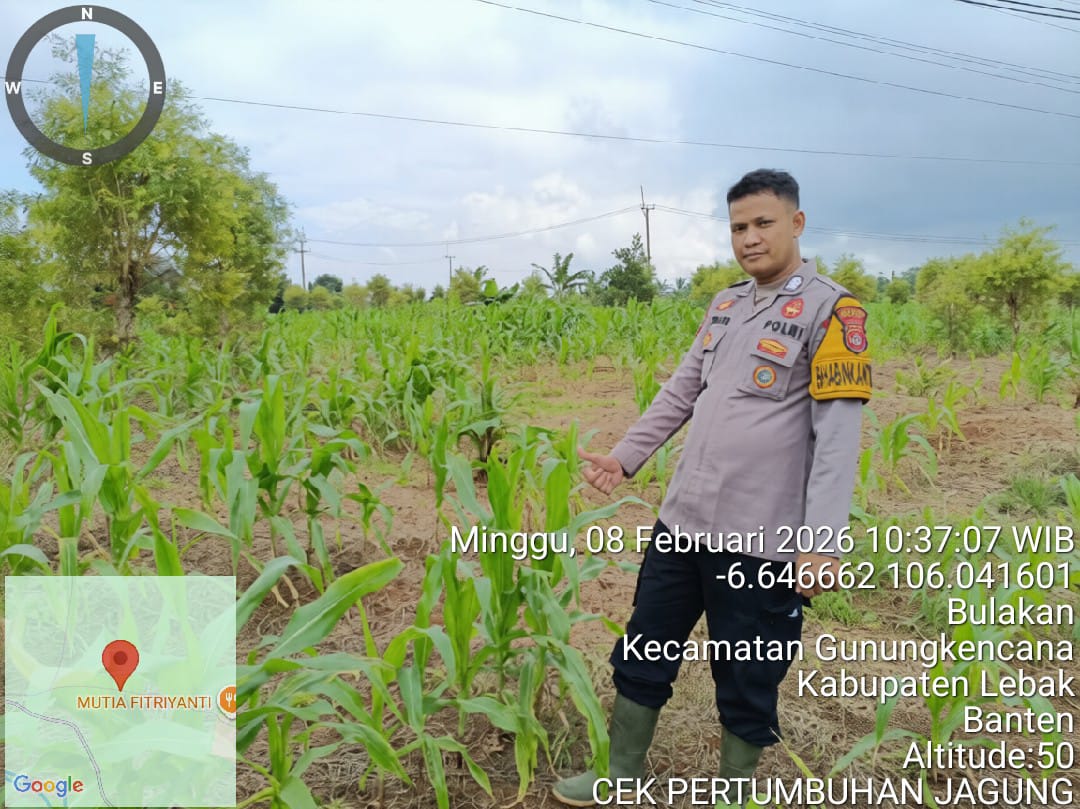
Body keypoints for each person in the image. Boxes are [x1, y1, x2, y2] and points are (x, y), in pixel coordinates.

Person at [552, 169, 872, 809]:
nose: (749, 238)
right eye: (738, 227)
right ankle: (622, 774)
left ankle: (732, 794)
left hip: (759, 540)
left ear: (796, 224)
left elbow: (837, 439)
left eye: (763, 223)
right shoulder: (726, 305)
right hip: (683, 524)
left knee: (747, 673)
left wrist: (821, 543)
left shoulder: (834, 313)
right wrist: (625, 457)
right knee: (644, 650)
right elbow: (680, 392)